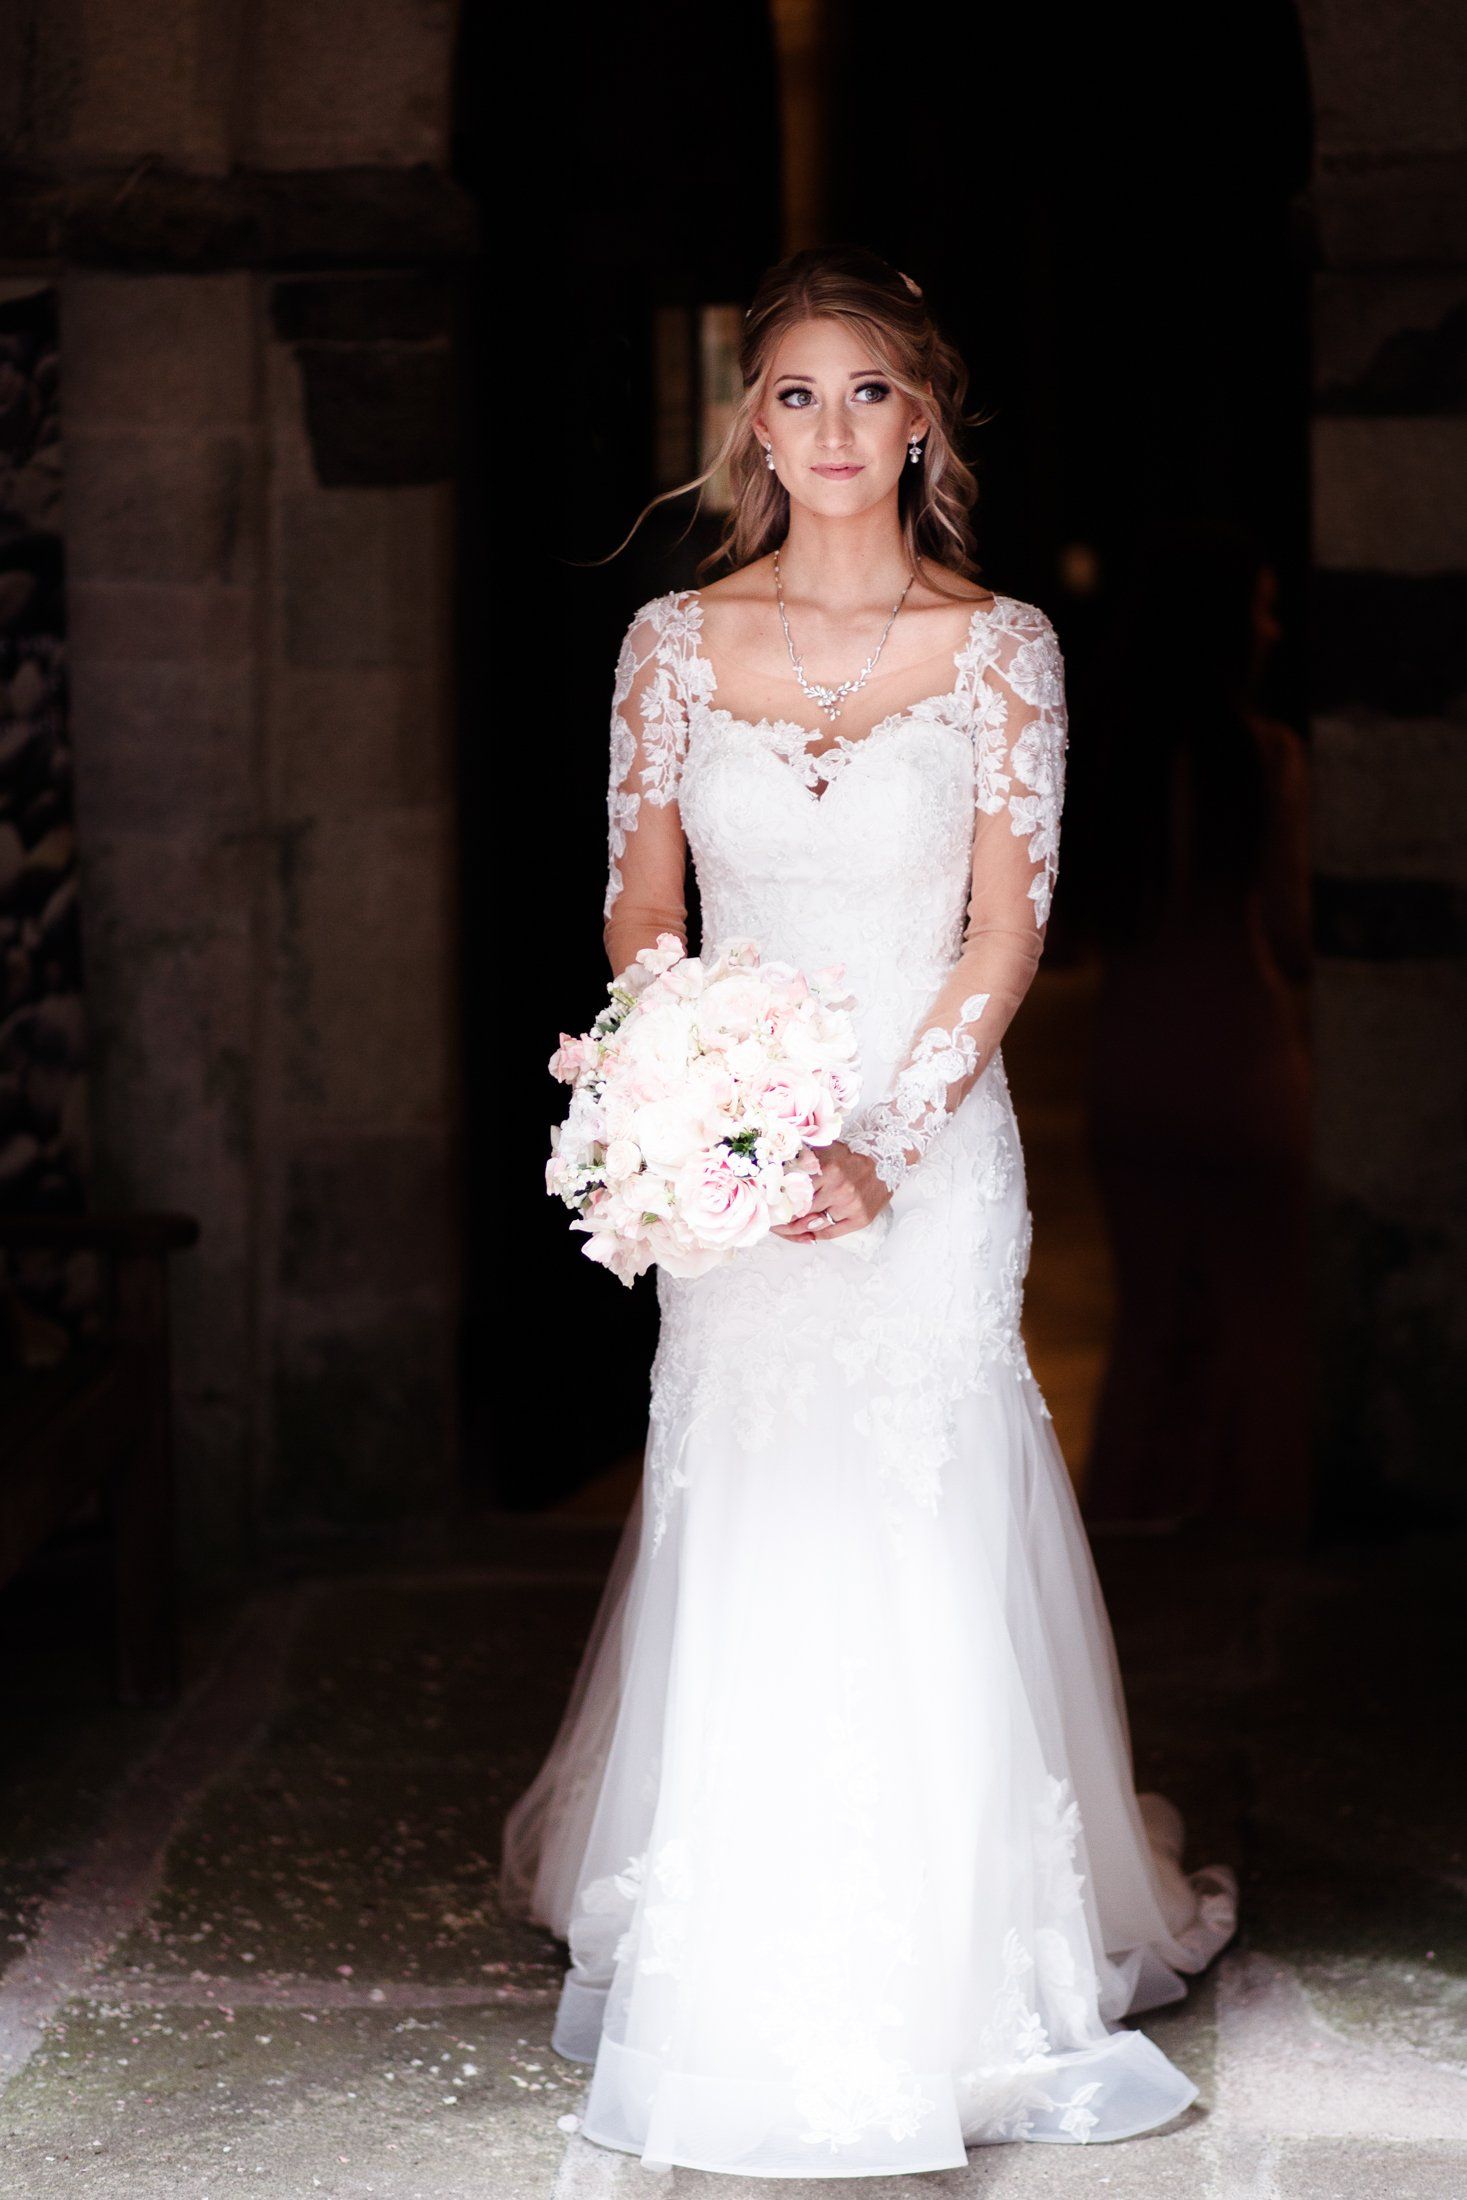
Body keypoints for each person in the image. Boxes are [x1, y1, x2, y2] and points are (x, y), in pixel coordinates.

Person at [500, 245, 1237, 2178]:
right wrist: (703, 1102)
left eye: (868, 395)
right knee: (751, 1509)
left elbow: (1005, 928)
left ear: (925, 420)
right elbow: (636, 904)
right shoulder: (670, 642)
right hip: (736, 1159)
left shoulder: (999, 649)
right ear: (751, 421)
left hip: (924, 1154)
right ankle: (749, 1951)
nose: (830, 431)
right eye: (794, 396)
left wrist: (879, 1144)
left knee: (913, 1508)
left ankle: (946, 1972)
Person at [1070, 520, 1312, 1536]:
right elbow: (1293, 931)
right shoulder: (1262, 759)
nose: (1274, 627)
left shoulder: (1112, 765)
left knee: (1149, 1321)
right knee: (1264, 1323)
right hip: (1239, 1057)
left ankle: (1122, 1532)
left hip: (1128, 1056)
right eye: (1260, 606)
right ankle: (1260, 1529)